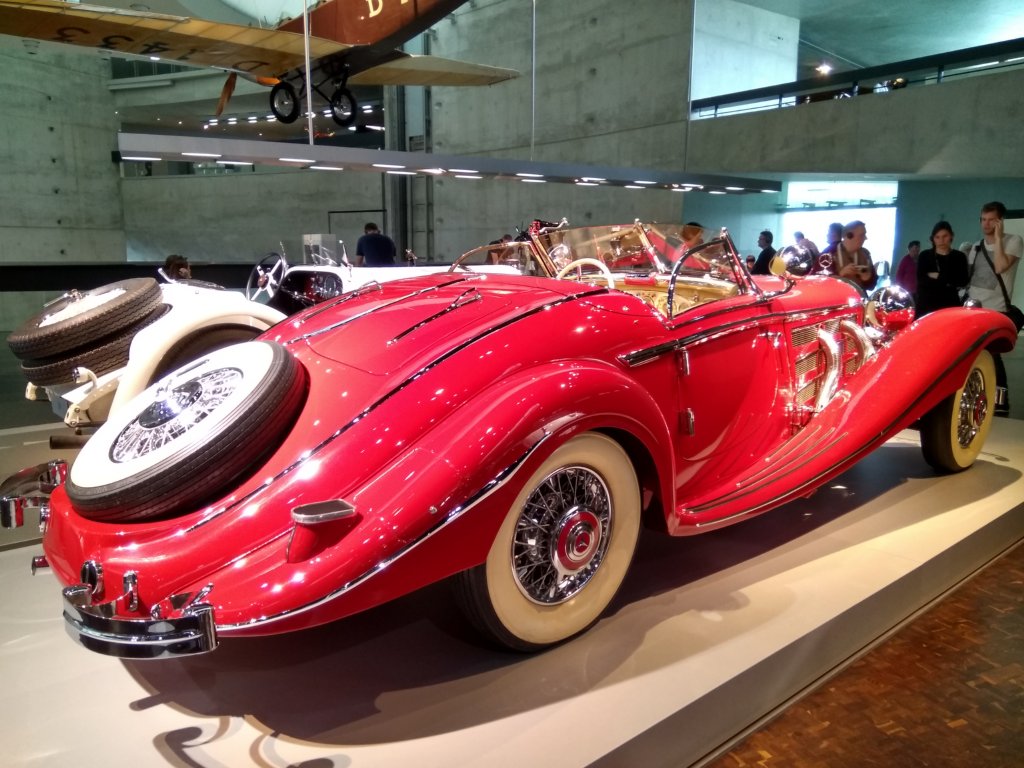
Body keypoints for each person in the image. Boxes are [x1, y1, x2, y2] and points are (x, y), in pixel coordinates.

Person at [961, 201, 1022, 416]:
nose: (986, 224)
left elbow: (1000, 266)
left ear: (1000, 221)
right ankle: (972, 396)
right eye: (983, 220)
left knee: (993, 354)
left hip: (996, 309)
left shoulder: (1013, 241)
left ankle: (1001, 402)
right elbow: (968, 278)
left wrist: (997, 239)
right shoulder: (976, 247)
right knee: (971, 353)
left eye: (991, 220)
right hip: (973, 308)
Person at [915, 224, 967, 316]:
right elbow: (922, 280)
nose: (941, 240)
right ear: (933, 238)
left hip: (950, 304)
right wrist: (948, 281)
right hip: (926, 305)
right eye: (937, 237)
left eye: (945, 236)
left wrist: (938, 275)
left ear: (951, 236)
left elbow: (962, 281)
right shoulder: (925, 256)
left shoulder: (959, 256)